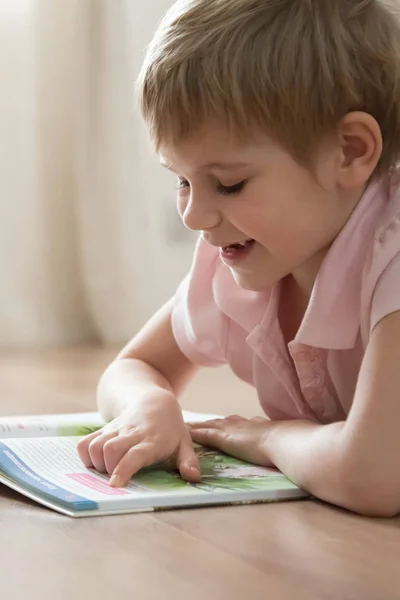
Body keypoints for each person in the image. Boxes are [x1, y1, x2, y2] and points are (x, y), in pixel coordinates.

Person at [77, 0, 400, 516]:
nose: (194, 216)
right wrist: (148, 406)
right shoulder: (242, 257)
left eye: (228, 184)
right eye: (182, 180)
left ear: (349, 150)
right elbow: (135, 365)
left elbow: (376, 476)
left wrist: (263, 436)